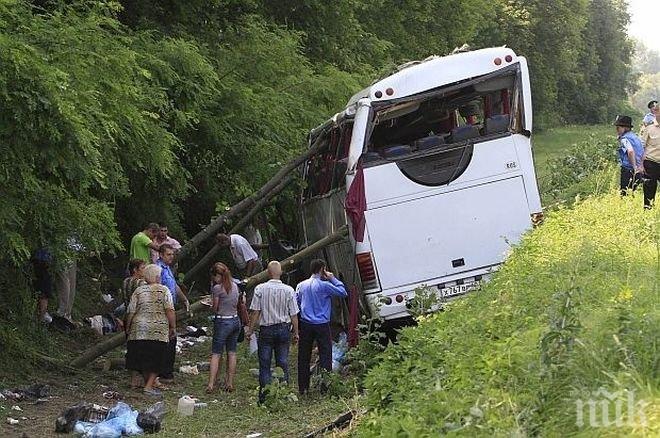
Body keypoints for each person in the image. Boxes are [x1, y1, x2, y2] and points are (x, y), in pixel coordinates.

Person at [246, 261, 299, 403]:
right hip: (283, 328)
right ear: (280, 272)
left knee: (264, 364)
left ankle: (264, 397)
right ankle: (283, 395)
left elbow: (255, 312)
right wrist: (296, 332)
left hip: (266, 329)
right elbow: (293, 314)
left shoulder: (260, 289)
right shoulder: (289, 290)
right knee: (282, 362)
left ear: (268, 273)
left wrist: (250, 331)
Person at [296, 259, 347, 394]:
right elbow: (343, 292)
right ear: (322, 269)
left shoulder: (301, 285)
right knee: (325, 355)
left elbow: (297, 302)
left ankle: (303, 387)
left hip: (306, 324)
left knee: (303, 356)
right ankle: (325, 387)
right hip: (322, 324)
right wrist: (333, 278)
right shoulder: (325, 285)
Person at [124, 264, 176, 396]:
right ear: (158, 277)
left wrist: (128, 327)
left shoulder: (139, 291)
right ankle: (148, 387)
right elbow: (169, 310)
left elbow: (131, 311)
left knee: (142, 357)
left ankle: (146, 383)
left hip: (139, 329)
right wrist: (173, 326)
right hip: (157, 330)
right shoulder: (164, 290)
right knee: (157, 358)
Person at [206, 262, 243, 393]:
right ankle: (230, 382)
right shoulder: (235, 286)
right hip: (234, 320)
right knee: (231, 352)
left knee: (216, 354)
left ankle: (211, 383)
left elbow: (215, 308)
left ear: (218, 275)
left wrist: (210, 306)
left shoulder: (217, 288)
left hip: (222, 322)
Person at [156, 244, 189, 383]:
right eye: (168, 254)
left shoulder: (168, 269)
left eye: (172, 254)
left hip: (171, 305)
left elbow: (174, 286)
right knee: (168, 338)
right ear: (161, 255)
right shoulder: (157, 269)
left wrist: (184, 300)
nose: (171, 257)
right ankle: (163, 373)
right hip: (162, 308)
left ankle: (166, 371)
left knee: (171, 339)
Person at [614, 115, 644, 196]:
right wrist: (640, 166)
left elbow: (630, 151)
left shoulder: (625, 139)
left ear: (625, 128)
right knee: (634, 193)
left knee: (624, 194)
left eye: (618, 128)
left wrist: (634, 167)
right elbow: (642, 151)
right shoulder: (635, 137)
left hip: (629, 170)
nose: (616, 130)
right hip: (639, 170)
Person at [55, 236, 83, 322]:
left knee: (64, 279)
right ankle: (67, 313)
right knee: (70, 280)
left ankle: (63, 313)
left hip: (65, 246)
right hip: (73, 247)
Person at [640, 115, 660, 208]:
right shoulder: (649, 128)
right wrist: (640, 164)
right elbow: (642, 146)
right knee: (649, 188)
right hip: (651, 162)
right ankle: (648, 209)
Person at [32, 248, 53, 324]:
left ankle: (41, 317)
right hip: (41, 260)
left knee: (43, 291)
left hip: (40, 260)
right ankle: (41, 318)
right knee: (43, 292)